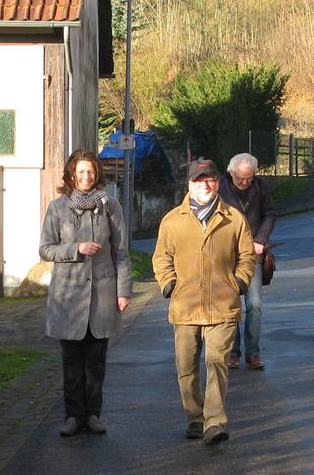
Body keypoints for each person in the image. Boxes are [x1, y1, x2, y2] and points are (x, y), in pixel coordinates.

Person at [152, 159, 256, 445]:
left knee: (216, 362)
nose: (205, 185)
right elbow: (161, 258)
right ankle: (195, 417)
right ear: (190, 185)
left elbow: (247, 256)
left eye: (210, 179)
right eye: (199, 180)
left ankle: (214, 422)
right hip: (184, 306)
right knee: (186, 367)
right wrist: (169, 284)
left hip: (223, 305)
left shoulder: (233, 219)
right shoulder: (173, 220)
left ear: (218, 182)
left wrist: (239, 282)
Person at [39, 149, 132, 436]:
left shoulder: (110, 206)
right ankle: (72, 416)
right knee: (71, 361)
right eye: (80, 172)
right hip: (67, 295)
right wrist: (75, 249)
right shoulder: (57, 208)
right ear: (71, 175)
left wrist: (123, 291)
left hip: (102, 294)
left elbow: (122, 252)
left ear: (97, 174)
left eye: (90, 172)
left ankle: (93, 414)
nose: (86, 176)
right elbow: (45, 249)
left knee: (96, 360)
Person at [217, 153, 276, 370]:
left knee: (255, 305)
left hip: (253, 255)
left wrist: (260, 239)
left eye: (249, 178)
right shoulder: (220, 187)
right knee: (230, 305)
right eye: (241, 178)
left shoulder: (260, 187)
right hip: (226, 255)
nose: (245, 182)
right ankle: (233, 352)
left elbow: (269, 214)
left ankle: (253, 353)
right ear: (231, 173)